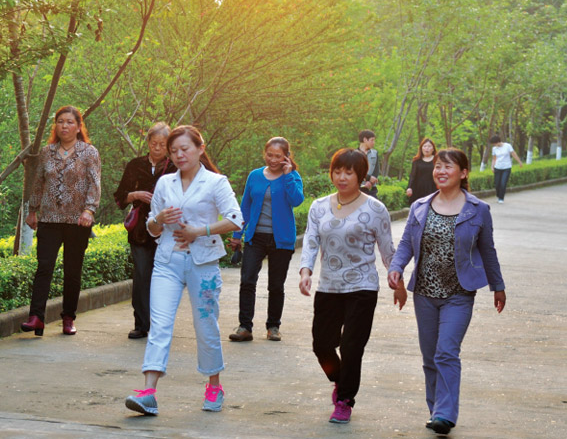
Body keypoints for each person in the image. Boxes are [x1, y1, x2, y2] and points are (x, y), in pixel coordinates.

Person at [124, 125, 243, 416]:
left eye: (185, 149)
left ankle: (214, 385)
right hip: (168, 261)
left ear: (200, 149)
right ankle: (148, 392)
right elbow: (152, 229)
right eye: (174, 151)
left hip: (203, 263)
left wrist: (198, 231)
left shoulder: (215, 182)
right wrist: (159, 219)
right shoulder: (165, 183)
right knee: (159, 325)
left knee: (205, 325)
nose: (179, 155)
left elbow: (235, 219)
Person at [388, 147, 506, 435]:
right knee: (430, 357)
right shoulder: (420, 206)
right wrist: (397, 267)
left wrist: (498, 286)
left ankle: (445, 413)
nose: (440, 171)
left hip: (459, 295)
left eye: (448, 167)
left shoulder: (478, 209)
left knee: (446, 352)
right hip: (424, 293)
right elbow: (405, 244)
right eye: (438, 166)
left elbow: (487, 250)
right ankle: (436, 411)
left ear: (463, 173)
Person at [299, 148, 407, 424]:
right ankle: (340, 379)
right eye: (337, 171)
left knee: (351, 347)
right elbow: (311, 241)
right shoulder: (319, 206)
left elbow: (387, 248)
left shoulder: (375, 209)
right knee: (322, 346)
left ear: (360, 176)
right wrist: (305, 271)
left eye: (349, 172)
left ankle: (345, 400)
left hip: (363, 287)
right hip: (329, 286)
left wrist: (398, 282)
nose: (342, 177)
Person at [20, 105, 101, 337]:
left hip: (78, 221)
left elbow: (95, 183)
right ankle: (36, 317)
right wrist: (32, 210)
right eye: (60, 121)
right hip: (49, 219)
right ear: (55, 126)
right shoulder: (47, 152)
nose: (64, 126)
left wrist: (89, 210)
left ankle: (68, 317)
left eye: (69, 122)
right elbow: (38, 183)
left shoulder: (89, 152)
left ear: (78, 126)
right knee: (44, 267)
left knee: (72, 270)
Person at [228, 137, 304, 342]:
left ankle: (273, 326)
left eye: (278, 156)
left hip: (281, 240)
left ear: (286, 157)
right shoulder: (254, 176)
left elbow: (296, 200)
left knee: (276, 286)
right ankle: (245, 327)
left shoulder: (293, 176)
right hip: (256, 237)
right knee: (247, 281)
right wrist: (237, 235)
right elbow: (245, 207)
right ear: (264, 154)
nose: (273, 159)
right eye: (269, 155)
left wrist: (287, 175)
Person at [113, 122, 177, 339]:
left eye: (162, 144)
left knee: (164, 277)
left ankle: (160, 324)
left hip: (167, 228)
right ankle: (141, 324)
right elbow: (120, 196)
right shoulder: (135, 165)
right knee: (141, 275)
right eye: (153, 143)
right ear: (148, 142)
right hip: (140, 229)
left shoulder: (175, 166)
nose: (157, 148)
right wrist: (136, 195)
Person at [490, 135, 523, 204]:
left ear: (498, 142)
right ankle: (498, 195)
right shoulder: (494, 149)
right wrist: (492, 166)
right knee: (497, 184)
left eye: (495, 143)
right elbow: (494, 158)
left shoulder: (507, 146)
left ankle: (501, 198)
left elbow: (513, 154)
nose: (494, 145)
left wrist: (519, 162)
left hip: (506, 167)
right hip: (497, 167)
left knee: (503, 183)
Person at [406, 138, 437, 205]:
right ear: (421, 148)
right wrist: (409, 187)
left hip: (432, 188)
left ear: (433, 149)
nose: (427, 148)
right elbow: (412, 175)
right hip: (418, 189)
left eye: (429, 146)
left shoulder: (437, 160)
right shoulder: (416, 161)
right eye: (425, 146)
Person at [358, 129, 380, 198]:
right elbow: (355, 171)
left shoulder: (375, 153)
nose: (373, 142)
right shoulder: (354, 154)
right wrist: (368, 178)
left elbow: (376, 170)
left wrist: (370, 182)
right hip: (358, 188)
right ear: (365, 140)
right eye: (372, 140)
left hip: (372, 188)